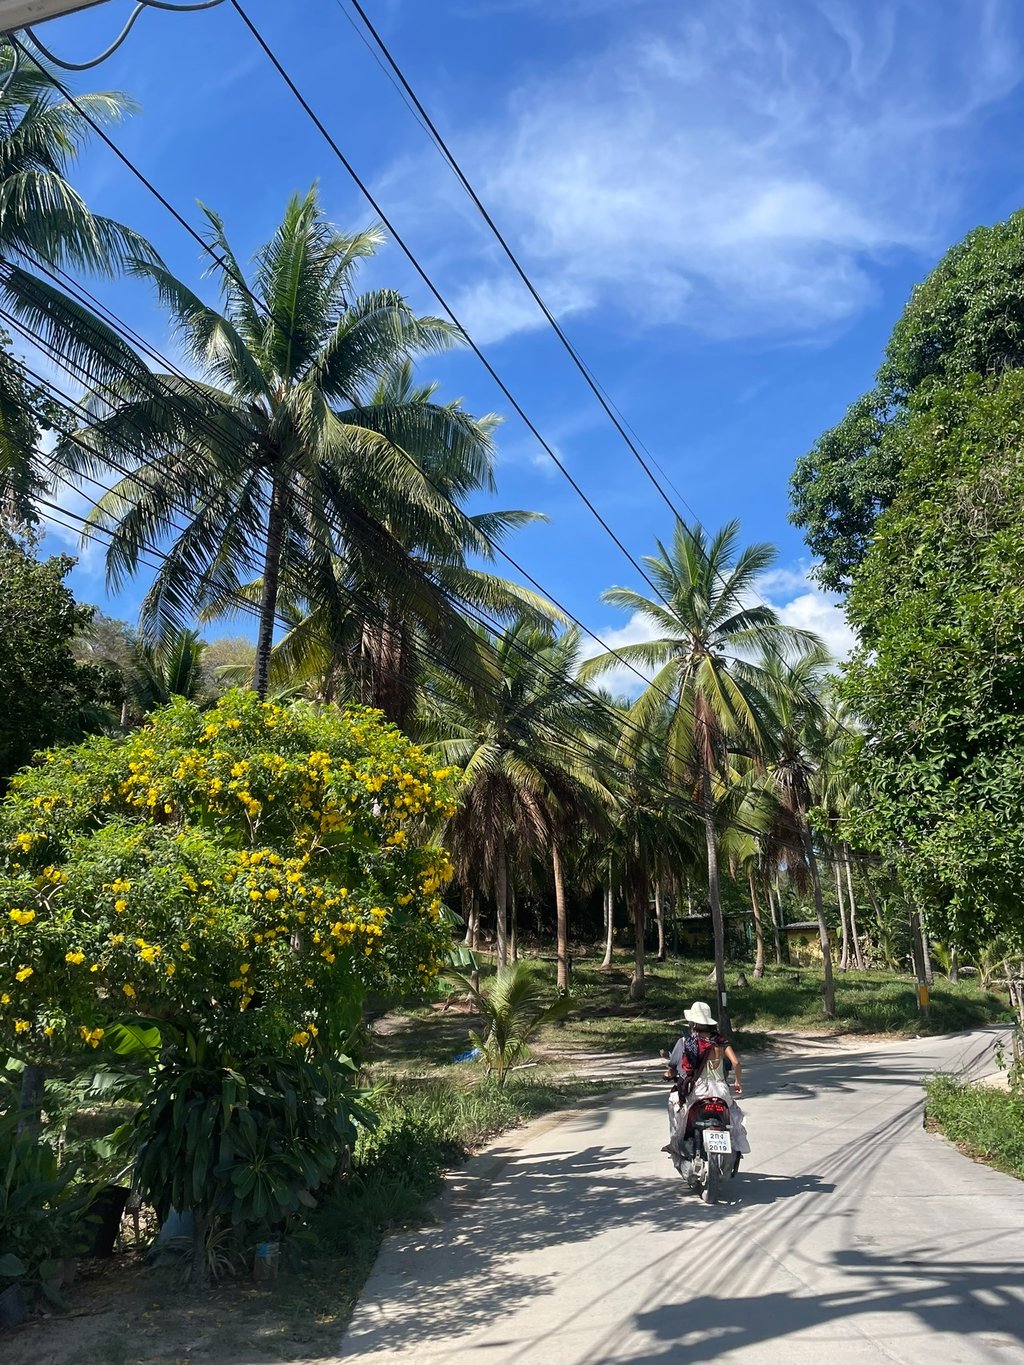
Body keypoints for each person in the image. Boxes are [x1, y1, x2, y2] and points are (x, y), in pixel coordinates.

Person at [663, 1000, 750, 1156]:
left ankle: (675, 1145)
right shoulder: (721, 1043)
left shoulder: (687, 1042)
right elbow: (736, 1062)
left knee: (676, 1109)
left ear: (693, 1023)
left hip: (699, 1091)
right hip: (721, 1091)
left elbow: (677, 1067)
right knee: (734, 1114)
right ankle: (735, 1148)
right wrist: (737, 1081)